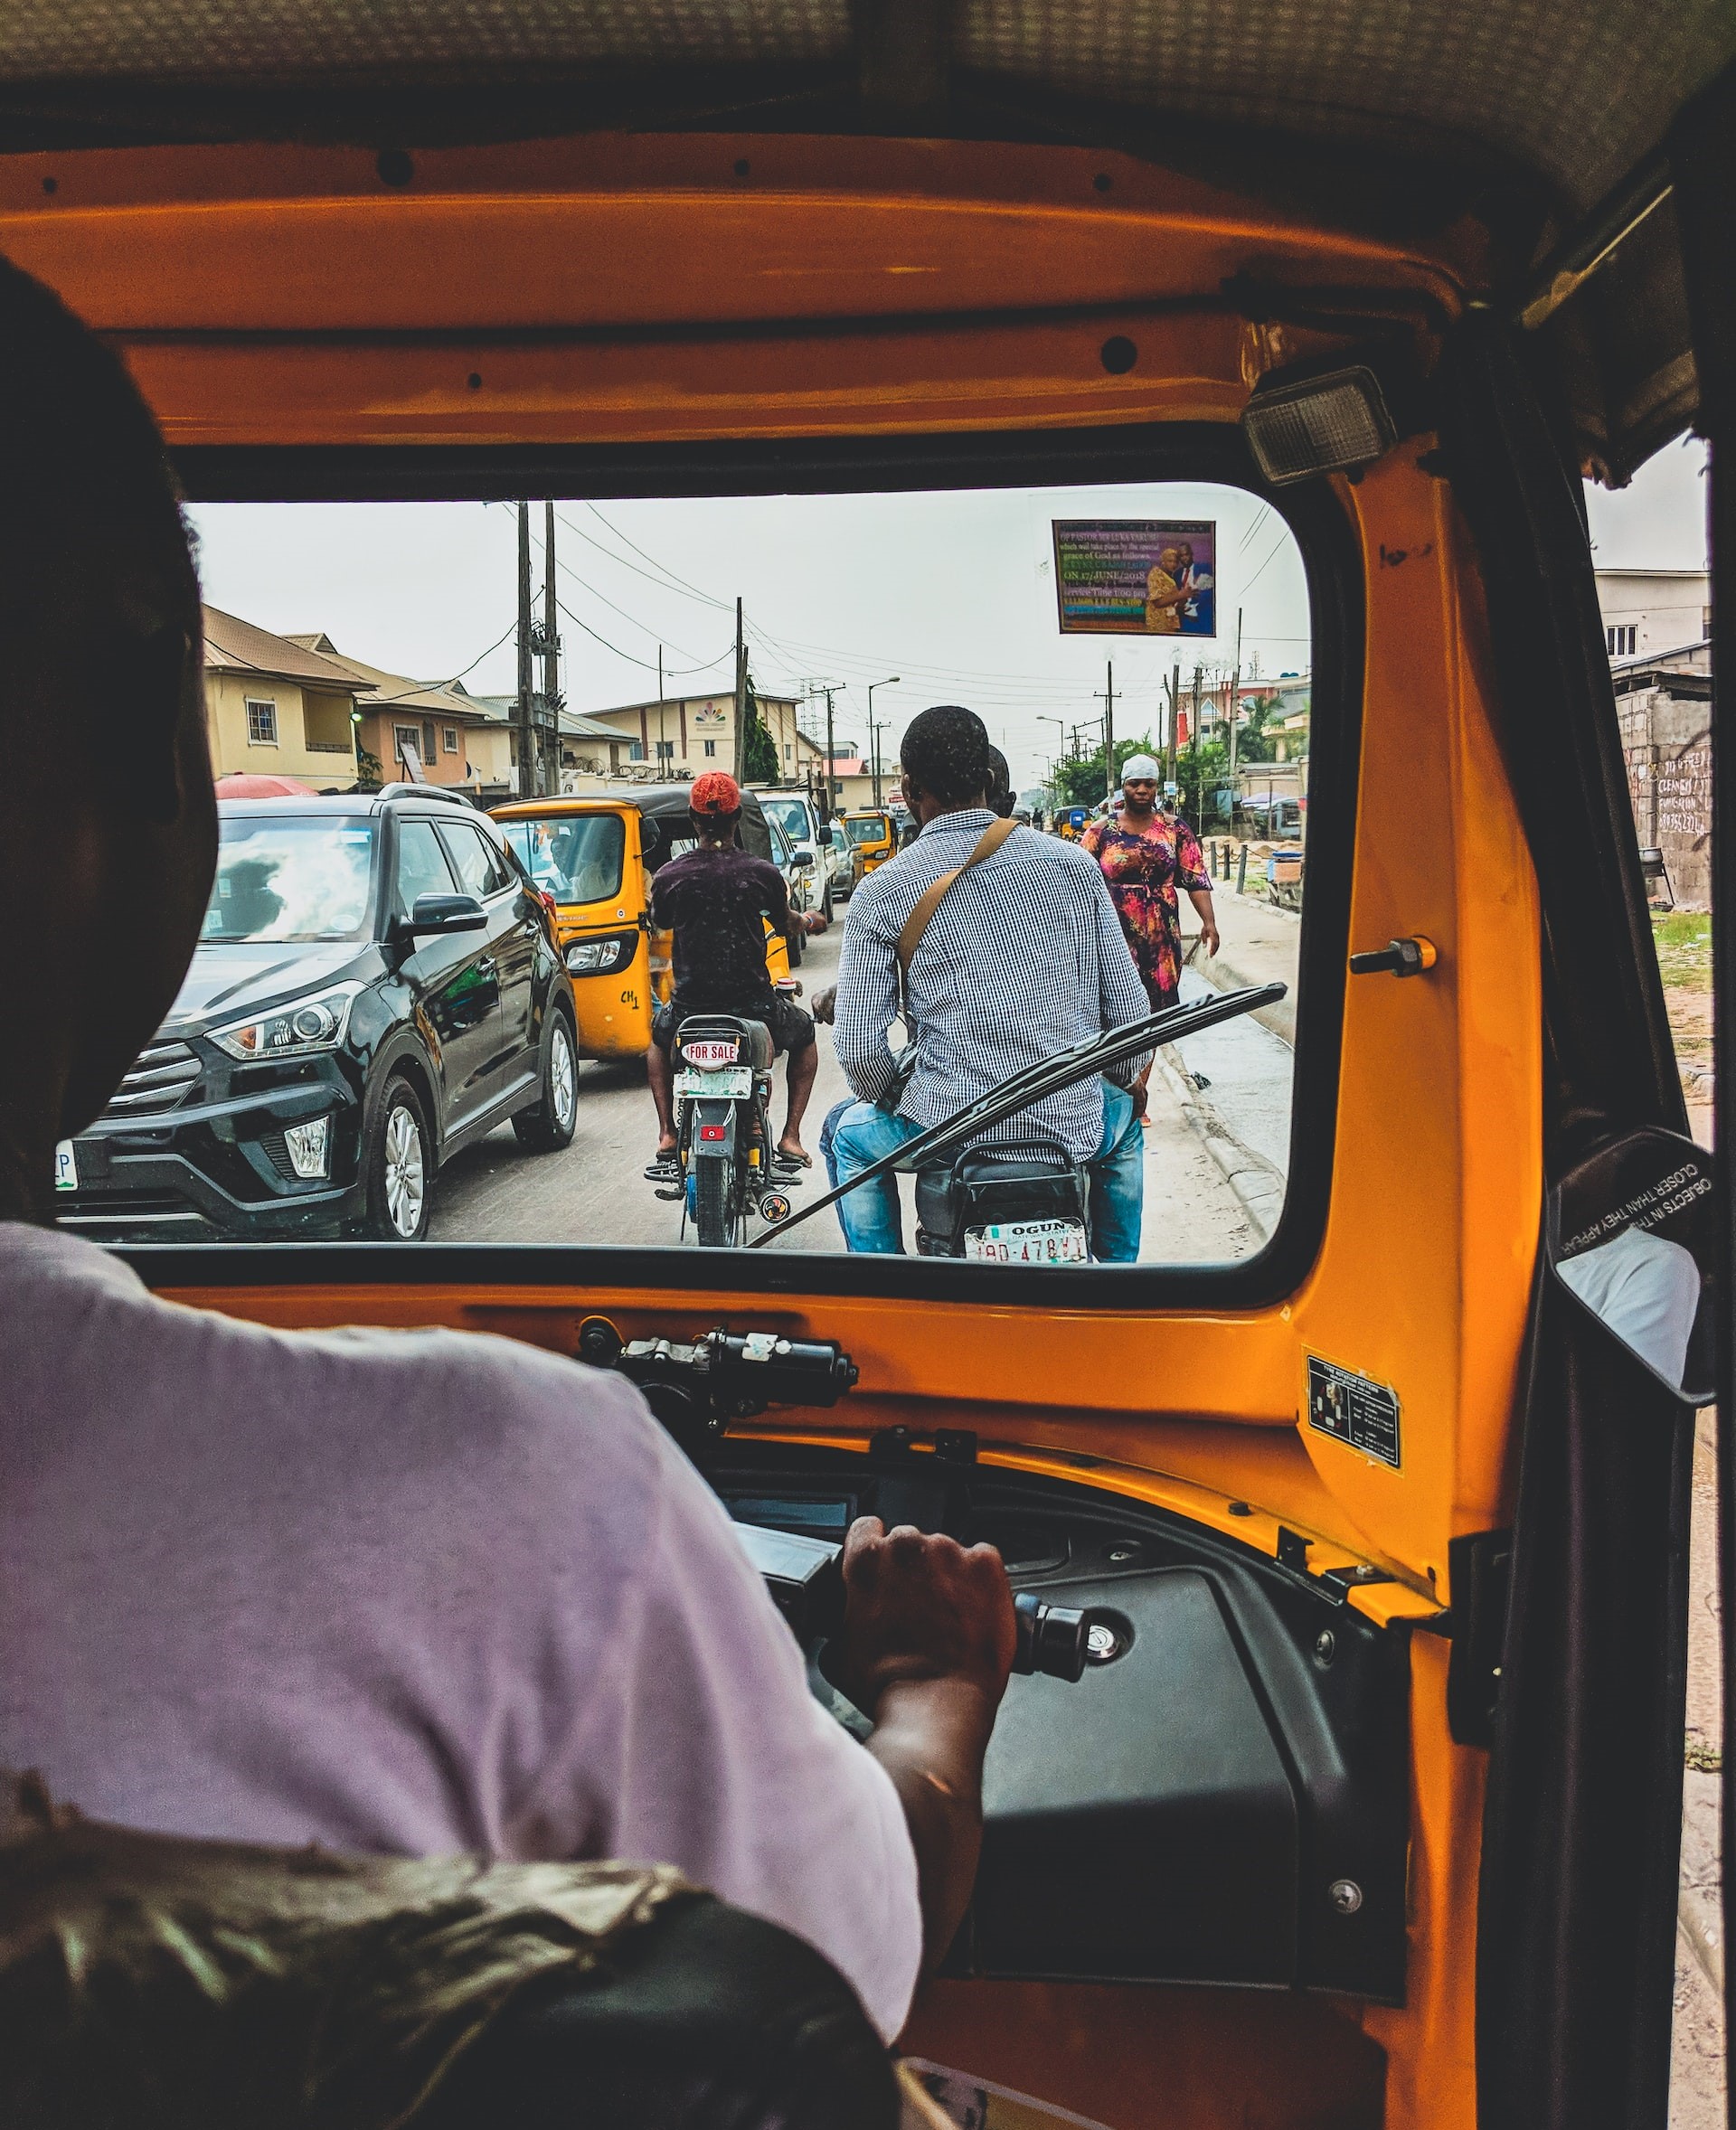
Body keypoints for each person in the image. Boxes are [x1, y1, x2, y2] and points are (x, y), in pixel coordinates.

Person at [0, 257, 1017, 2046]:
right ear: (151, 733)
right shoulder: (513, 1502)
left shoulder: (675, 871)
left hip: (699, 1042)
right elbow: (837, 1979)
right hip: (796, 1077)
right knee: (813, 1081)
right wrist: (932, 1678)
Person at [828, 705, 1152, 1259]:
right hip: (1067, 1121)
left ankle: (887, 1289)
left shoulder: (883, 889)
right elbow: (1129, 1017)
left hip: (943, 1127)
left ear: (908, 789)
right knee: (1124, 1134)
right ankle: (1116, 1285)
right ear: (987, 780)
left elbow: (859, 1049)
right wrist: (1120, 1081)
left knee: (850, 1140)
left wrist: (898, 1095)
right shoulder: (1073, 866)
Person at [645, 768, 818, 1171]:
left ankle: (668, 1132)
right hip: (753, 1006)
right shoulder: (763, 874)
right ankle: (790, 1137)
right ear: (737, 819)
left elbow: (662, 921)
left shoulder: (671, 876)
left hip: (689, 1008)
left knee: (656, 1043)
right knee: (806, 1036)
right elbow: (785, 923)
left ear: (693, 820)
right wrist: (807, 921)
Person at [1081, 753, 1220, 1013]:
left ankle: (1150, 1055)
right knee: (1118, 1005)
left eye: (1149, 784)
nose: (1142, 790)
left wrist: (1209, 922)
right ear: (1124, 787)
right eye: (1135, 784)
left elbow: (1196, 877)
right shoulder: (1101, 831)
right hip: (1114, 935)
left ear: (1156, 787)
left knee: (1159, 1009)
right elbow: (1075, 882)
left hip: (1162, 936)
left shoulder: (1174, 829)